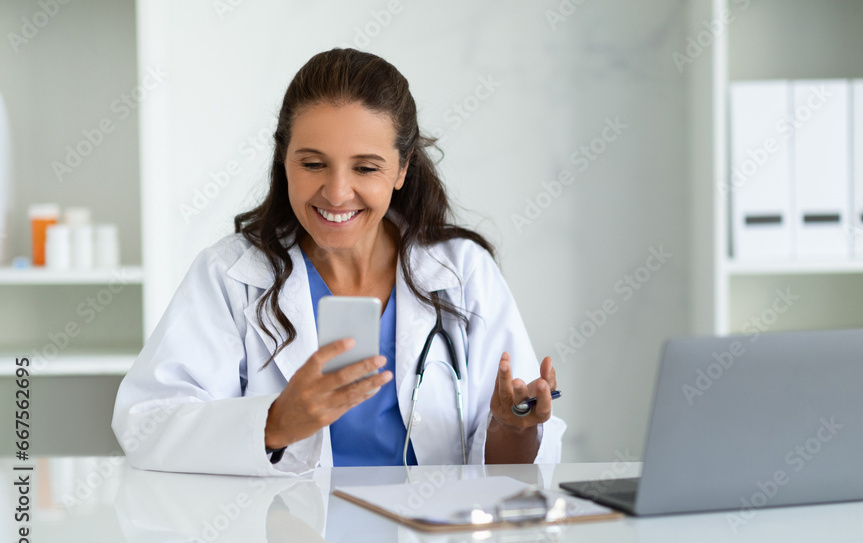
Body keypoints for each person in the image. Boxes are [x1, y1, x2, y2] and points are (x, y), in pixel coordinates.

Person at [112, 48, 566, 475]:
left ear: (402, 168)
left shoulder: (463, 272)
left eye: (365, 168)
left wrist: (514, 427)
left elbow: (508, 471)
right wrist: (274, 423)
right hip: (283, 531)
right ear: (283, 159)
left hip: (425, 532)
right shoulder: (230, 276)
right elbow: (146, 425)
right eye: (313, 164)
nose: (336, 192)